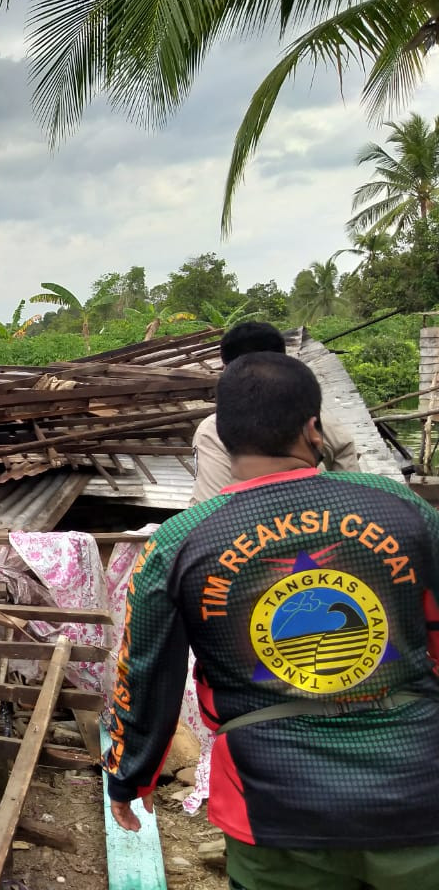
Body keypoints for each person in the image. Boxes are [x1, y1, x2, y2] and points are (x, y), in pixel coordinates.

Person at [105, 352, 439, 890]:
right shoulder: (402, 509)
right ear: (313, 429)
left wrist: (129, 778)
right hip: (420, 794)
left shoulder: (178, 544)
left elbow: (146, 677)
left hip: (275, 810)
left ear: (224, 437)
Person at [189, 321, 358, 505]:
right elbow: (354, 494)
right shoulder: (320, 420)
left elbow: (209, 510)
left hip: (244, 528)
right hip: (327, 524)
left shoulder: (213, 428)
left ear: (227, 370)